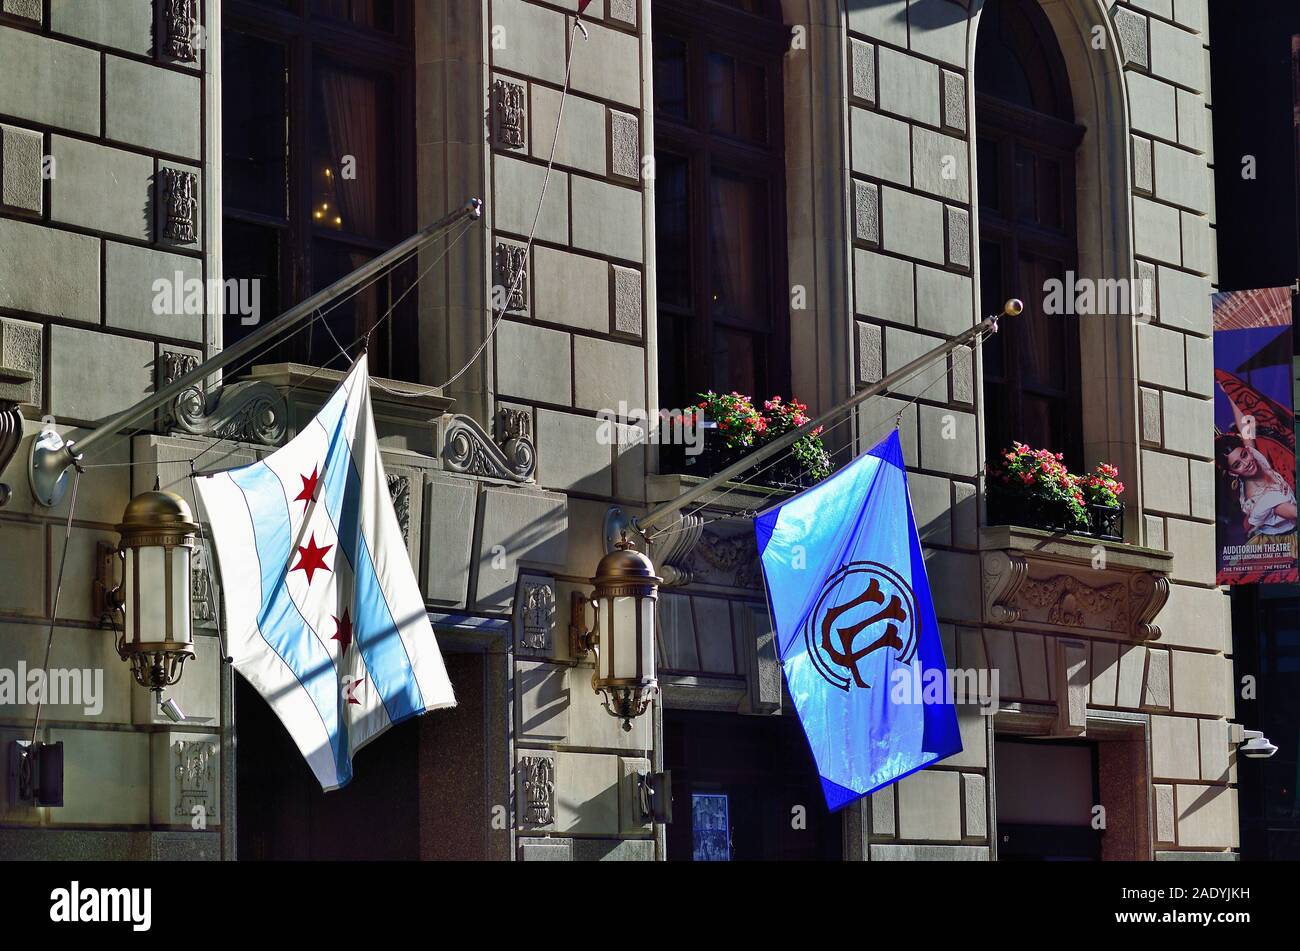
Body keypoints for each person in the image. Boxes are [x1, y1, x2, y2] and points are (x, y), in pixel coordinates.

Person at [1216, 384, 1297, 536]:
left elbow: (1244, 427)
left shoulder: (1254, 457)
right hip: (1286, 542)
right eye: (1237, 465)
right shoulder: (1262, 499)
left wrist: (1230, 393)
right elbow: (1294, 514)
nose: (1246, 463)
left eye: (1244, 455)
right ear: (1233, 473)